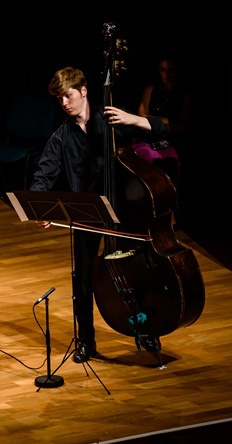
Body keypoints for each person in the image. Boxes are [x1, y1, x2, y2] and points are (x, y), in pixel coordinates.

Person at [29, 66, 169, 362]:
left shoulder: (113, 121)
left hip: (125, 211)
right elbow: (44, 175)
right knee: (83, 279)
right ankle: (86, 341)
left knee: (136, 272)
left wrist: (133, 119)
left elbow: (161, 129)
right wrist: (40, 208)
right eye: (59, 98)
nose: (64, 103)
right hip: (87, 215)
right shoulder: (61, 137)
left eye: (68, 95)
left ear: (83, 91)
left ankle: (146, 330)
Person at [135, 56, 191, 187]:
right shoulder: (150, 90)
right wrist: (166, 122)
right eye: (163, 70)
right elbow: (141, 116)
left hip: (174, 141)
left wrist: (153, 120)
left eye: (171, 70)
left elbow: (182, 127)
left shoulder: (184, 95)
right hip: (151, 139)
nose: (167, 75)